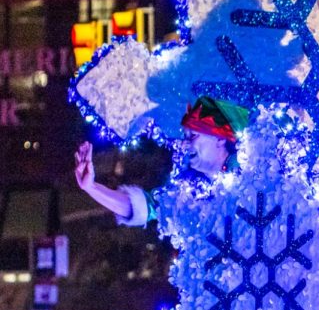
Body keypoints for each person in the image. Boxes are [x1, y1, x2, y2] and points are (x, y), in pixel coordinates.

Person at [74, 96, 248, 227]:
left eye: (193, 136)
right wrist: (91, 187)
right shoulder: (187, 193)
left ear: (220, 138)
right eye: (185, 137)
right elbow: (143, 207)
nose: (186, 144)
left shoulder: (253, 174)